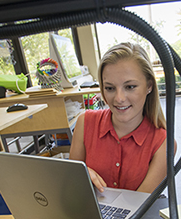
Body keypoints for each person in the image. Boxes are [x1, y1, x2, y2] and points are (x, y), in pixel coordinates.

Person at [70, 42, 172, 194]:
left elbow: (139, 206)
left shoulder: (163, 142)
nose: (119, 98)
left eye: (130, 87)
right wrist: (81, 176)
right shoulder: (85, 122)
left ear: (149, 85)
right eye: (110, 88)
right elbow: (70, 185)